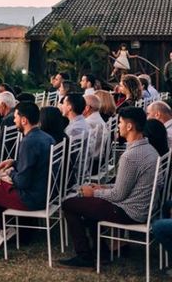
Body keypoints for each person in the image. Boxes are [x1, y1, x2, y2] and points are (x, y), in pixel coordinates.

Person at [59, 107, 159, 269]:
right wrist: (103, 186)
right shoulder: (149, 149)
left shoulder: (130, 156)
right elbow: (126, 184)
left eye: (119, 122)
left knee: (69, 204)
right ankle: (101, 251)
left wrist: (94, 192)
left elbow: (118, 195)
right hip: (142, 207)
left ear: (129, 126)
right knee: (88, 205)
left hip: (130, 211)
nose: (117, 126)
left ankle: (84, 256)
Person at [0, 101, 54, 258]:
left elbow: (22, 182)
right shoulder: (47, 137)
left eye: (15, 117)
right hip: (45, 193)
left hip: (30, 198)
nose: (14, 120)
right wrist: (13, 162)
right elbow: (37, 165)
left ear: (24, 120)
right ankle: (5, 228)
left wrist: (8, 174)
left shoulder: (28, 142)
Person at [83, 94, 109, 161]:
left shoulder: (88, 122)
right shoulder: (97, 118)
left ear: (87, 108)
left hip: (90, 162)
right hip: (99, 158)